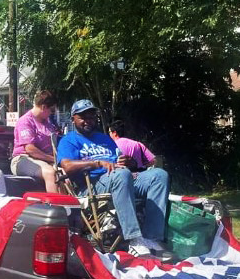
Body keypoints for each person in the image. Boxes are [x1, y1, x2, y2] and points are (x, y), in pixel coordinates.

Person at [56, 99, 170, 256]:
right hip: (91, 184)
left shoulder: (105, 139)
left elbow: (118, 160)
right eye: (83, 117)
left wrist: (130, 162)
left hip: (120, 177)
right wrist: (97, 163)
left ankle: (152, 238)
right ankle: (134, 239)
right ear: (73, 118)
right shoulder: (68, 140)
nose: (88, 120)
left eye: (91, 116)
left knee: (159, 175)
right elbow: (67, 166)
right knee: (121, 175)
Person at [10, 90, 61, 193]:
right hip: (23, 159)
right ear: (43, 107)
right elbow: (30, 149)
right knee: (50, 172)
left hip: (45, 160)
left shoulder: (48, 123)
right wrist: (53, 159)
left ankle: (72, 205)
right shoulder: (25, 121)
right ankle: (57, 207)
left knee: (64, 174)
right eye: (51, 110)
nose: (52, 113)